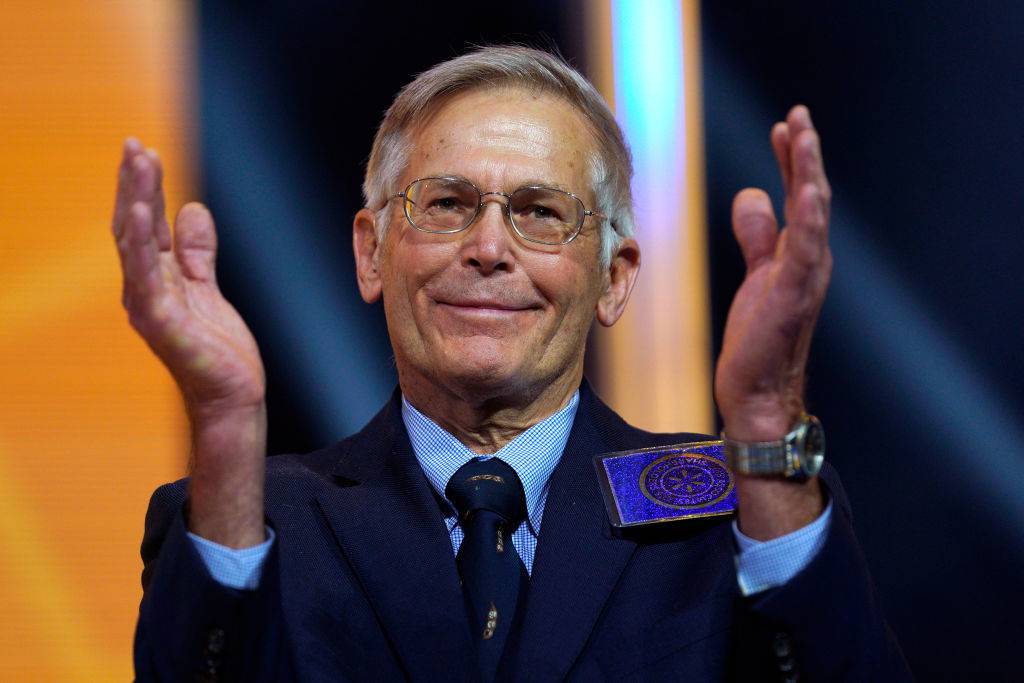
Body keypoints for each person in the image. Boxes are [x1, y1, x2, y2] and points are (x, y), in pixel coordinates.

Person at [119, 46, 909, 681]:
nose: (489, 247)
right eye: (446, 204)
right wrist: (225, 423)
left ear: (614, 277)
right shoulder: (257, 518)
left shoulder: (734, 505)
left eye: (540, 212)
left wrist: (766, 418)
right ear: (371, 252)